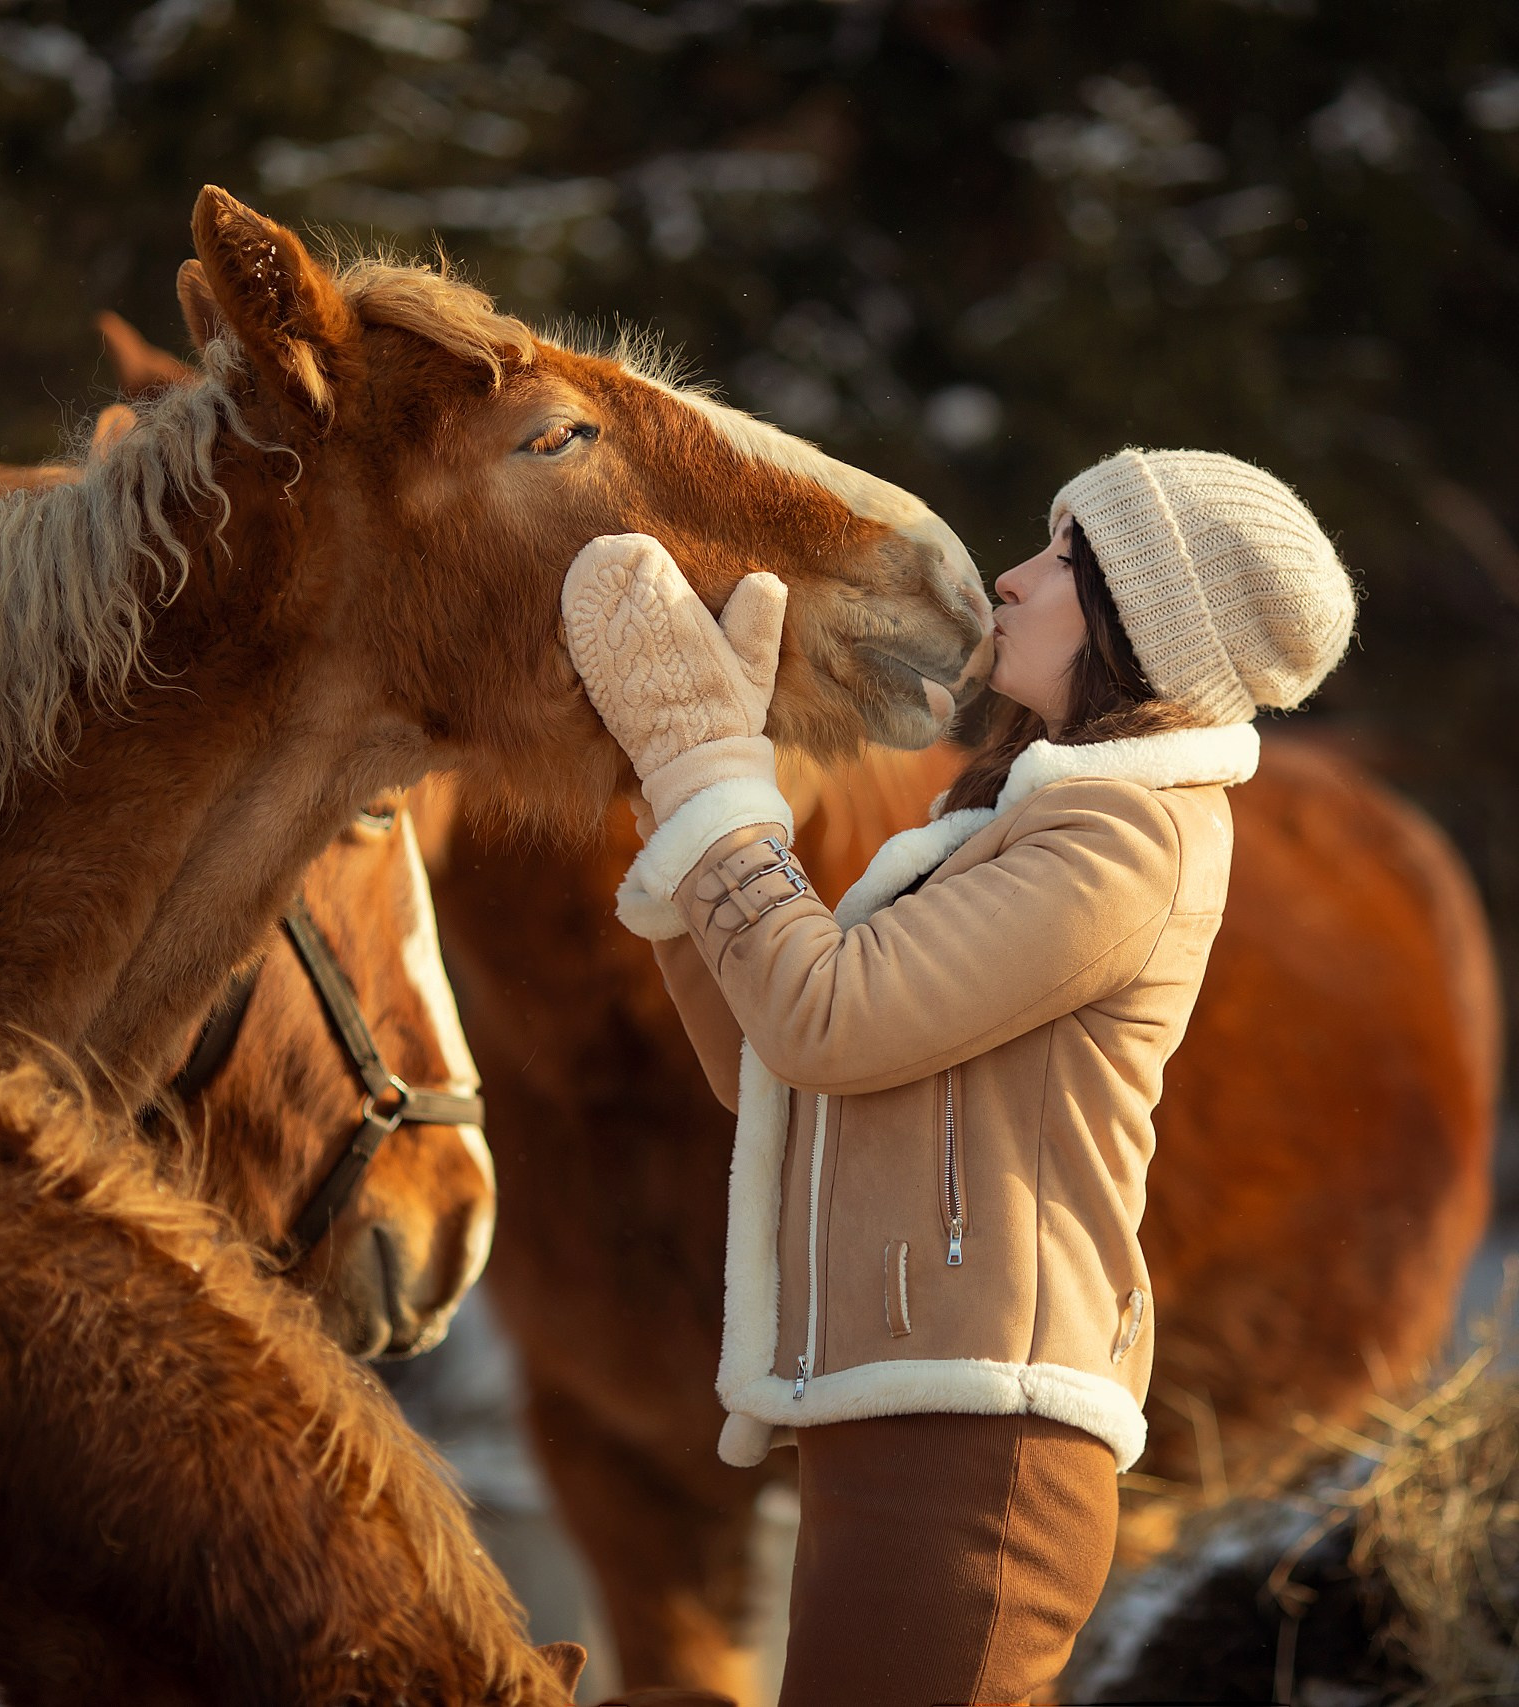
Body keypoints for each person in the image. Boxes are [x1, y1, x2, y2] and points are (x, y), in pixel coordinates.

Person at [560, 448, 1356, 1706]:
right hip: (903, 1432)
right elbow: (779, 1062)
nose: (1012, 577)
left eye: (1063, 562)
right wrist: (681, 797)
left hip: (981, 1453)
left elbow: (826, 1015)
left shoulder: (1124, 839)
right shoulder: (1014, 825)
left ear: (1138, 627)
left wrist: (710, 777)